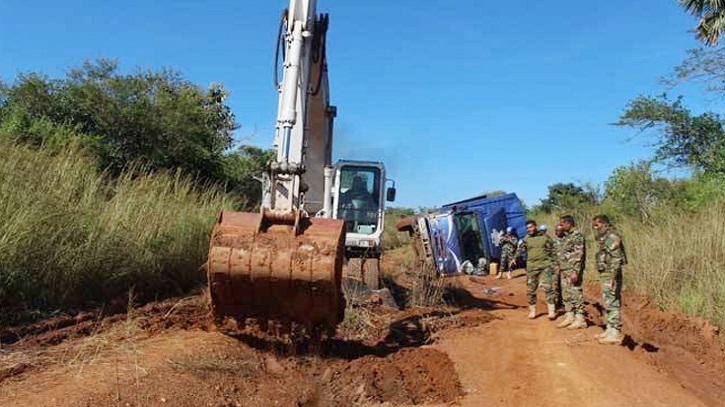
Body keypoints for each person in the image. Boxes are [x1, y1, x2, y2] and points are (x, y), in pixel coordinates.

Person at [592, 214, 627, 345]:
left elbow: (616, 258)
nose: (595, 228)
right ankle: (610, 329)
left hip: (610, 275)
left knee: (612, 302)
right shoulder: (604, 237)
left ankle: (615, 332)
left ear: (604, 224)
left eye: (597, 225)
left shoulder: (612, 237)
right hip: (605, 273)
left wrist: (612, 277)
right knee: (607, 301)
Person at [513, 220, 557, 320]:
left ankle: (551, 311)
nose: (529, 230)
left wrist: (555, 263)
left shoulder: (544, 237)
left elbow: (553, 250)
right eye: (527, 228)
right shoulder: (526, 239)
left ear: (535, 227)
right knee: (531, 290)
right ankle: (532, 311)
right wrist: (514, 258)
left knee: (548, 288)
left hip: (545, 267)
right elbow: (520, 249)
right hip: (531, 268)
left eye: (531, 227)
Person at [556, 215, 587, 330]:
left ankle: (580, 319)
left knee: (576, 294)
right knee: (566, 295)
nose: (561, 226)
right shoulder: (567, 237)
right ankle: (570, 316)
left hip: (572, 271)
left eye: (562, 224)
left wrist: (575, 271)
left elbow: (579, 255)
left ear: (569, 223)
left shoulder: (577, 236)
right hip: (565, 270)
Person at [552, 224, 566, 309]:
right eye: (557, 230)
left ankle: (566, 304)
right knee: (555, 286)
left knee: (565, 286)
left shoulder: (567, 240)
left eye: (560, 230)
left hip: (565, 267)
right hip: (555, 267)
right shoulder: (552, 242)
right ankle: (556, 303)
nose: (558, 232)